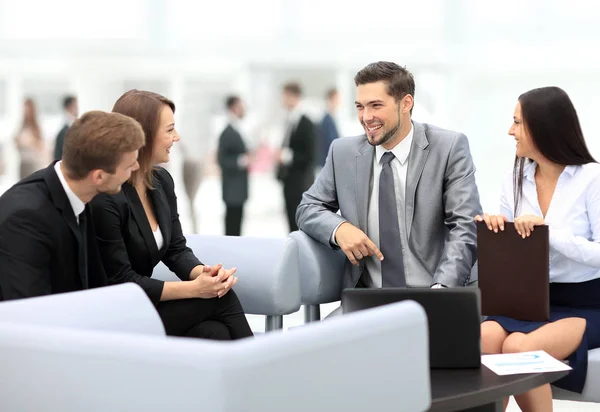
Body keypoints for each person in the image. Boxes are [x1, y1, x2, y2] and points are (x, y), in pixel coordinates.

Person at [296, 61, 482, 299]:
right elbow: (307, 208)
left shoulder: (448, 148)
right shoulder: (343, 153)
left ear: (406, 103)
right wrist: (339, 228)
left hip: (436, 292)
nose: (366, 117)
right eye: (360, 107)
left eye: (376, 105)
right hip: (369, 298)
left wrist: (442, 292)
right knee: (324, 337)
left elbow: (465, 226)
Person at [91, 90, 253, 340]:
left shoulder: (161, 181)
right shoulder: (107, 195)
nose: (176, 138)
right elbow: (120, 279)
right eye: (169, 130)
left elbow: (175, 249)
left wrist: (204, 274)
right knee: (221, 301)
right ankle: (268, 374)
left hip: (144, 304)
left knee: (214, 332)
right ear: (141, 135)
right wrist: (193, 289)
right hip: (115, 312)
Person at [477, 86, 600, 411]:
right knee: (484, 338)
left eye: (517, 123)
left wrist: (549, 233)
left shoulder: (592, 179)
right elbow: (512, 258)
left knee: (519, 348)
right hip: (527, 302)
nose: (510, 131)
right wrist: (496, 233)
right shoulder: (512, 180)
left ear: (543, 128)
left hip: (584, 302)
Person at [0, 110, 144, 300]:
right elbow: (29, 314)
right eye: (129, 166)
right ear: (98, 176)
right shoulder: (26, 218)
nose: (136, 168)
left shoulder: (83, 194)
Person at [276, 82, 317, 233]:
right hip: (288, 180)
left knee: (300, 223)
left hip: (301, 182)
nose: (283, 100)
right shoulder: (288, 120)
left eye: (285, 96)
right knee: (290, 222)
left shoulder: (306, 123)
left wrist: (286, 156)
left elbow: (310, 155)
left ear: (295, 97)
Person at [217, 95, 250, 236]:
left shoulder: (237, 129)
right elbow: (222, 160)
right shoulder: (227, 132)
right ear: (234, 108)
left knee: (237, 223)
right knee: (232, 225)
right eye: (241, 106)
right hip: (232, 189)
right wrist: (242, 160)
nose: (244, 110)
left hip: (238, 188)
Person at [15, 98, 46, 179]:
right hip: (23, 163)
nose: (26, 111)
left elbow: (41, 147)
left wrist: (31, 141)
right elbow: (17, 145)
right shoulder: (21, 125)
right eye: (24, 109)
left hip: (33, 163)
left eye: (28, 109)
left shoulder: (37, 126)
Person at [317, 88, 340, 168]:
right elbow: (331, 142)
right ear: (330, 100)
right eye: (336, 99)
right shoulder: (326, 120)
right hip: (327, 163)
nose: (338, 102)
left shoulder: (332, 118)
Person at [54, 95, 79, 160]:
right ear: (68, 107)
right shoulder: (65, 131)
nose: (77, 109)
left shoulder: (69, 127)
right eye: (75, 106)